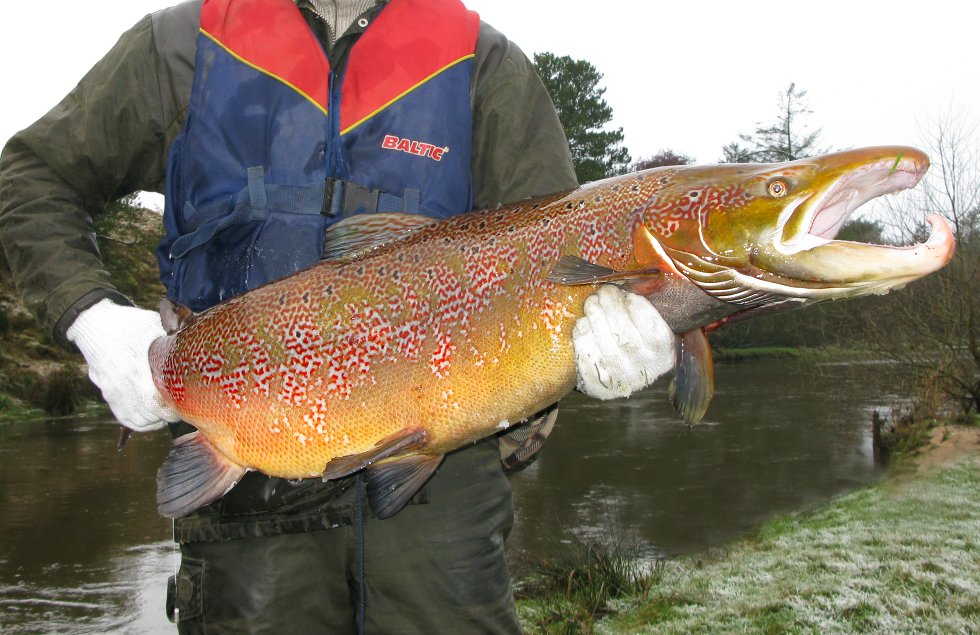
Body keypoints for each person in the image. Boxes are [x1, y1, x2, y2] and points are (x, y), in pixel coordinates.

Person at [0, 0, 674, 632]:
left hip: (443, 501)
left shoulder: (483, 65)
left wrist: (598, 348)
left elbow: (565, 258)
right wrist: (90, 315)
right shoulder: (180, 47)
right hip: (244, 497)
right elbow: (29, 177)